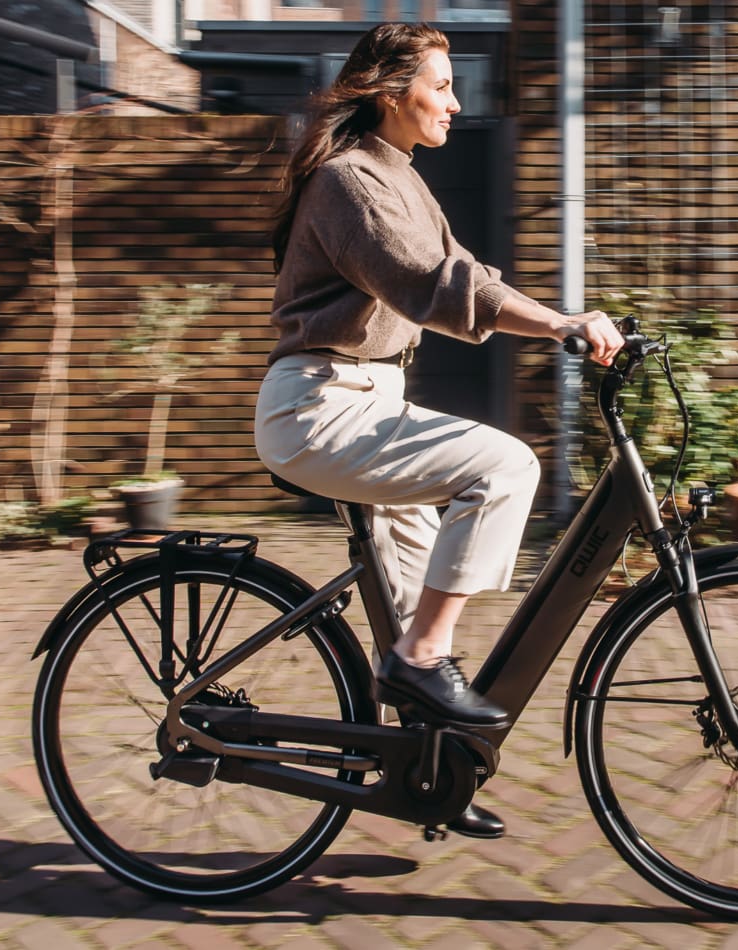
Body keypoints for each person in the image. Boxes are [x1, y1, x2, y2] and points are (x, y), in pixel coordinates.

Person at [255, 23, 623, 838]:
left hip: (364, 401)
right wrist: (562, 324)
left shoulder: (397, 178)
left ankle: (431, 772)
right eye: (443, 86)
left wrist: (563, 319)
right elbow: (435, 285)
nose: (456, 102)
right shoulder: (351, 182)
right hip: (321, 405)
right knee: (502, 467)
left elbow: (470, 272)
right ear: (392, 95)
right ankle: (418, 662)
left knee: (425, 591)